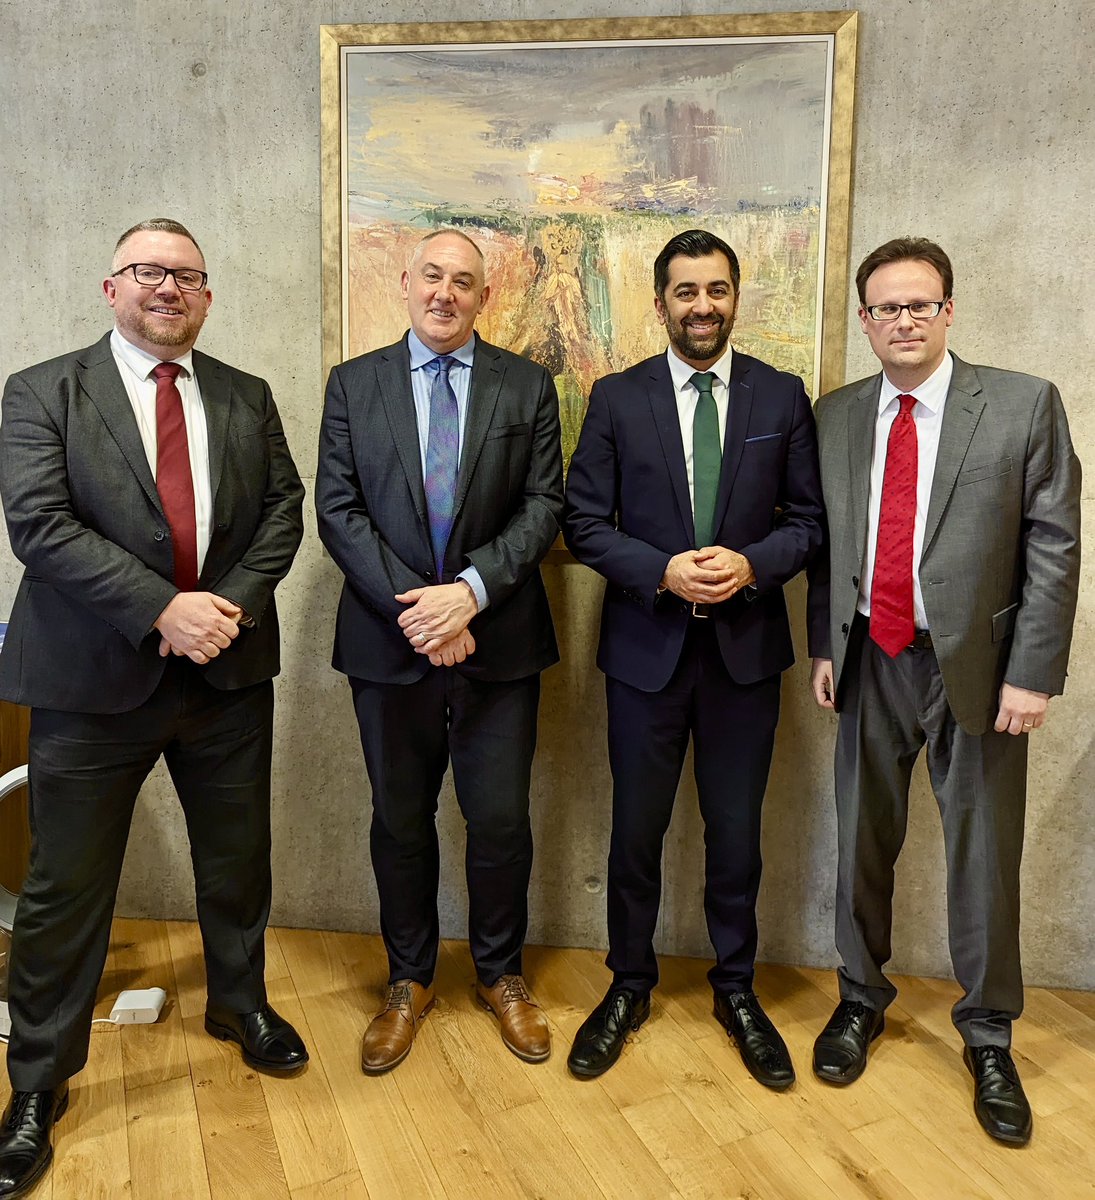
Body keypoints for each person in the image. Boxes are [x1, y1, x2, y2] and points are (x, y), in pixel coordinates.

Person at [0, 217, 307, 1197]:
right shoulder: (42, 391)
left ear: (207, 295)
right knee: (66, 887)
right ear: (112, 287)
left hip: (226, 675)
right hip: (92, 685)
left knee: (237, 861)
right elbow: (39, 524)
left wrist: (227, 610)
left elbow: (283, 511)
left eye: (186, 275)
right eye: (147, 271)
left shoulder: (246, 395)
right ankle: (38, 1083)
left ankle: (239, 1003)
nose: (167, 288)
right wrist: (161, 609)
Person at [806, 237, 1080, 1146]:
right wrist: (824, 646)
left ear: (948, 311)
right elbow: (827, 543)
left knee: (982, 856)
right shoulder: (837, 415)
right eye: (886, 307)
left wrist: (1031, 672)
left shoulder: (1021, 403)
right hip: (868, 659)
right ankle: (858, 999)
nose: (904, 320)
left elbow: (1053, 545)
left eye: (919, 304)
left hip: (980, 670)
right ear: (864, 320)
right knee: (860, 840)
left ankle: (989, 1034)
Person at [562, 229, 823, 1086]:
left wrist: (753, 565)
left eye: (715, 290)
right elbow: (583, 521)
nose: (701, 306)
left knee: (736, 836)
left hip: (745, 657)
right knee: (635, 834)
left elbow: (808, 522)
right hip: (645, 654)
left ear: (734, 297)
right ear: (660, 303)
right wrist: (660, 570)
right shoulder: (616, 397)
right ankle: (628, 985)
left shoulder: (780, 396)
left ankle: (736, 988)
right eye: (685, 291)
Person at [316, 228, 563, 1074]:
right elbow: (338, 509)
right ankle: (408, 978)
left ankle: (500, 974)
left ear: (484, 297)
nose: (444, 293)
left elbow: (543, 505)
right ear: (405, 282)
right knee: (399, 820)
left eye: (462, 281)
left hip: (499, 643)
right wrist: (422, 612)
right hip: (389, 646)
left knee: (499, 822)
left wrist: (470, 593)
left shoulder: (527, 386)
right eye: (432, 276)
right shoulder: (353, 385)